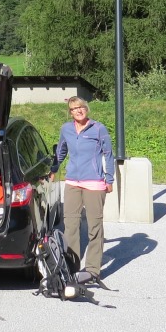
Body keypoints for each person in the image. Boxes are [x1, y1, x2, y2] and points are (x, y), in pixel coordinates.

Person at [54, 96, 115, 282]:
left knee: (94, 226)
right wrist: (53, 169)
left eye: (80, 107)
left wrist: (109, 178)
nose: (78, 111)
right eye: (74, 109)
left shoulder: (98, 128)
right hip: (73, 182)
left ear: (86, 109)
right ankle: (71, 268)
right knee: (71, 225)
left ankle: (92, 270)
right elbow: (61, 151)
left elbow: (108, 154)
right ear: (70, 112)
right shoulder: (66, 129)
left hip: (94, 183)